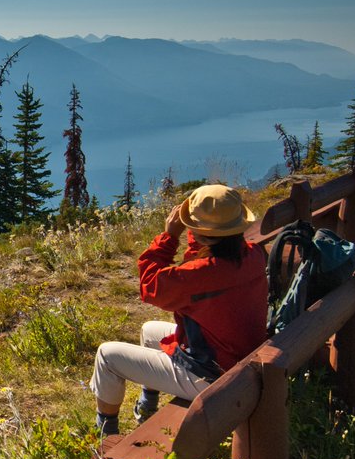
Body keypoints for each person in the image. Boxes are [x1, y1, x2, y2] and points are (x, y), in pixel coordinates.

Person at [90, 184, 268, 436]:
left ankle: (105, 436)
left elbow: (150, 287)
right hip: (240, 359)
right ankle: (147, 406)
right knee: (149, 329)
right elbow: (202, 260)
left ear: (199, 233)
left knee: (107, 356)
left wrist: (169, 236)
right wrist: (201, 233)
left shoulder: (200, 274)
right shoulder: (253, 255)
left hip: (213, 377)